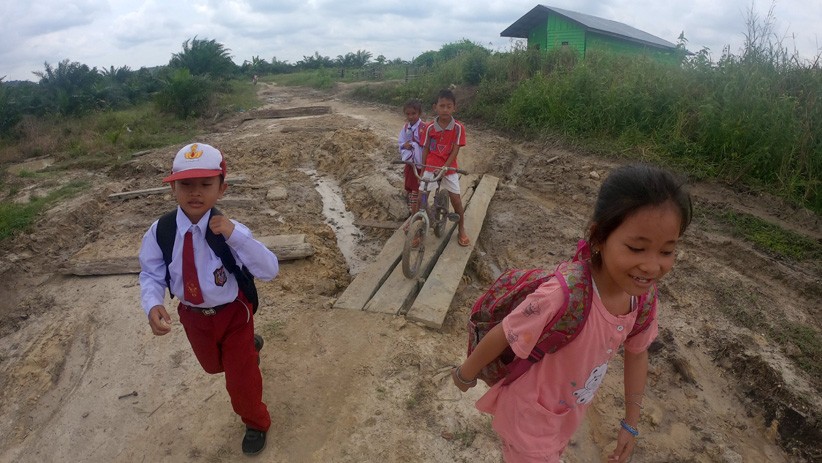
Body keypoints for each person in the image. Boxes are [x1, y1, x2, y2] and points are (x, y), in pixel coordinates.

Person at [452, 164, 693, 463]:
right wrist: (465, 374)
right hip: (528, 418)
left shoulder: (642, 299)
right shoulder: (563, 296)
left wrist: (631, 421)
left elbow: (638, 351)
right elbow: (505, 332)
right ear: (599, 237)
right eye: (636, 248)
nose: (652, 266)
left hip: (564, 415)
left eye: (667, 252)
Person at [138, 142, 279, 456]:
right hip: (193, 315)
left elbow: (270, 270)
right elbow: (150, 272)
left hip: (233, 313)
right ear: (173, 187)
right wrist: (153, 302)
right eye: (186, 184)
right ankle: (248, 351)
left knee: (240, 383)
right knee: (213, 367)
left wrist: (235, 235)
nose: (195, 192)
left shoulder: (230, 230)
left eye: (205, 184)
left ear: (222, 188)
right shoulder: (161, 231)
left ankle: (256, 422)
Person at [419, 89, 469, 246]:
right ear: (435, 107)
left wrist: (445, 168)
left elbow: (455, 150)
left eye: (449, 106)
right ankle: (418, 228)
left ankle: (461, 228)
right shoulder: (429, 128)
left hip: (449, 168)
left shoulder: (458, 128)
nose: (445, 109)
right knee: (421, 197)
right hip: (430, 165)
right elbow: (426, 148)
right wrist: (422, 168)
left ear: (454, 108)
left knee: (457, 200)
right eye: (442, 106)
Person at [398, 99, 424, 214]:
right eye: (408, 114)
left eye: (413, 113)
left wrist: (416, 146)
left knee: (420, 190)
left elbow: (427, 145)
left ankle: (420, 210)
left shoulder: (424, 128)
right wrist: (405, 145)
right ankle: (414, 212)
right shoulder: (405, 128)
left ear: (419, 113)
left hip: (421, 164)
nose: (411, 116)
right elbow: (401, 142)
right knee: (413, 189)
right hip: (411, 164)